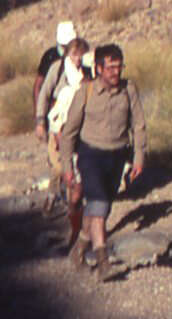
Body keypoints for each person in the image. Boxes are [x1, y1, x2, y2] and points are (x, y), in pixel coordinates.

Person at [56, 42, 146, 280]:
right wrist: (67, 168)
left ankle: (78, 252)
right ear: (97, 69)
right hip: (90, 156)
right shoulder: (84, 92)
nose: (115, 73)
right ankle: (103, 263)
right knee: (99, 205)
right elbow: (68, 134)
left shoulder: (129, 90)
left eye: (119, 67)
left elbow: (138, 124)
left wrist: (138, 157)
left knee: (100, 211)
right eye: (110, 68)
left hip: (117, 156)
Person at [35, 30, 89, 217]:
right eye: (75, 54)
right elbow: (44, 93)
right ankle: (52, 194)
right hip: (57, 124)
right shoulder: (57, 69)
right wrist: (40, 121)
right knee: (58, 167)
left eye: (81, 54)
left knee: (72, 168)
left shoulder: (87, 74)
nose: (78, 59)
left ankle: (71, 210)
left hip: (78, 127)